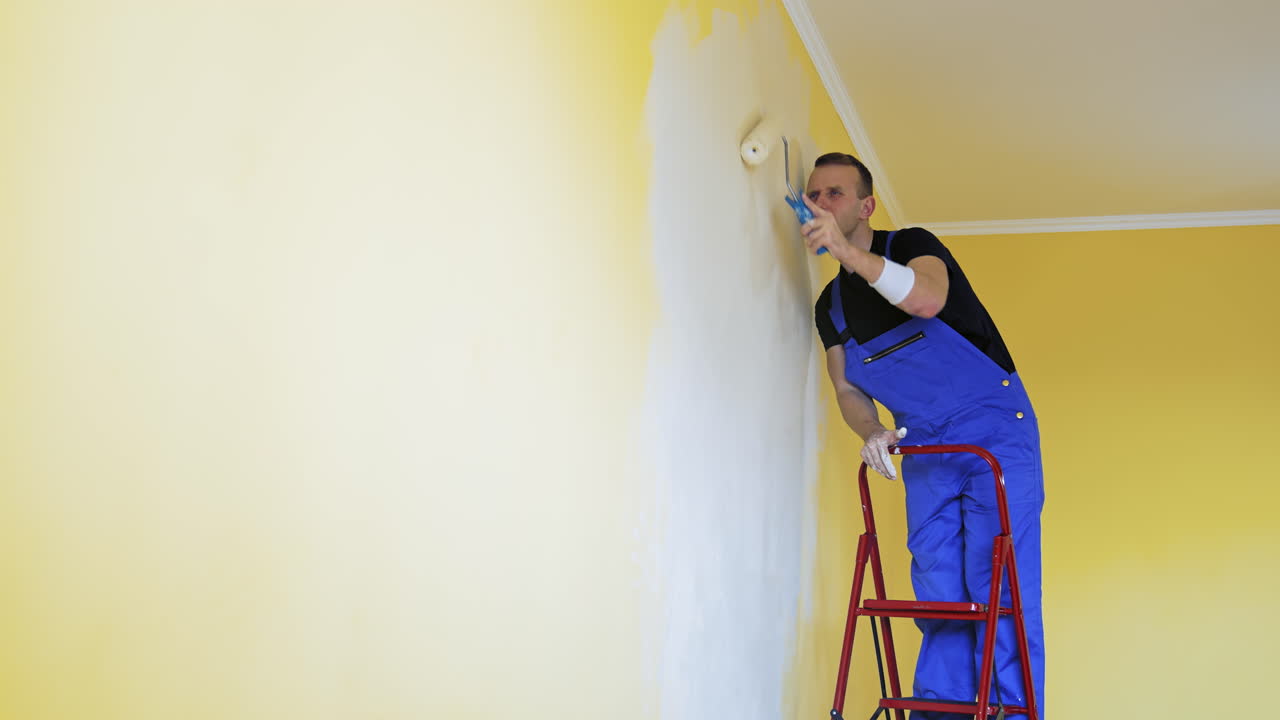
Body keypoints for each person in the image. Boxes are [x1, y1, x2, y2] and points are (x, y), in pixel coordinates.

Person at [801, 152, 1045, 719]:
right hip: (925, 445)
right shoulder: (830, 306)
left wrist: (846, 253)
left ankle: (1012, 713)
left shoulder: (910, 245)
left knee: (998, 585)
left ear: (866, 206)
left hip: (992, 432)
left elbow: (927, 299)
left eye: (834, 193)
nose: (821, 204)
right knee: (938, 592)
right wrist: (872, 432)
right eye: (813, 195)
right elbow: (847, 389)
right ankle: (940, 712)